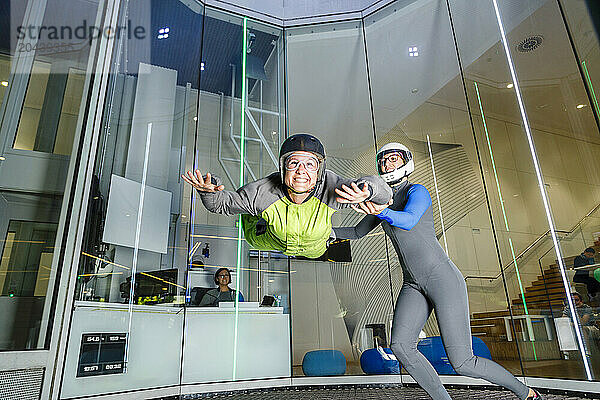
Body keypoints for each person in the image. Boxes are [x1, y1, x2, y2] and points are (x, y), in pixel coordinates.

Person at [334, 143, 542, 400]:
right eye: (383, 161)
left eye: (393, 159)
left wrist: (381, 211)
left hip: (442, 278)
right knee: (401, 346)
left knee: (463, 362)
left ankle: (527, 393)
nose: (387, 165)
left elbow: (409, 220)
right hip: (413, 284)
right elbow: (355, 232)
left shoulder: (416, 191)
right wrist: (319, 234)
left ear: (406, 163)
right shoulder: (383, 200)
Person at [181, 133, 392, 259]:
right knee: (252, 210)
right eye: (294, 163)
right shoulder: (262, 192)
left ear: (319, 170)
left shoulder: (332, 187)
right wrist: (209, 189)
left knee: (318, 229)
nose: (302, 171)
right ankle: (254, 215)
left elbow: (382, 191)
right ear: (283, 168)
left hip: (315, 247)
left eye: (310, 164)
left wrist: (369, 191)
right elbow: (220, 204)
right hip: (265, 238)